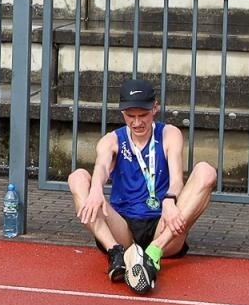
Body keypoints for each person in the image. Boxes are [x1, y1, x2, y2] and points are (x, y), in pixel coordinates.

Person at [67, 77, 218, 294]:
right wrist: (96, 189)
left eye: (143, 115)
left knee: (206, 171)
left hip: (163, 228)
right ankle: (115, 254)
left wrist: (170, 199)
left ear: (155, 108)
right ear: (122, 114)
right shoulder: (111, 140)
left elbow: (177, 178)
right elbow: (101, 167)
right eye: (131, 116)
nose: (137, 123)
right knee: (78, 177)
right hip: (124, 229)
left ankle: (153, 253)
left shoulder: (169, 134)